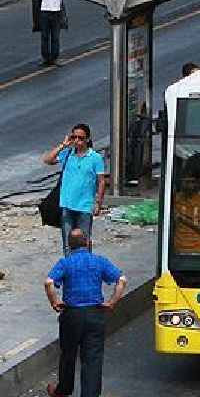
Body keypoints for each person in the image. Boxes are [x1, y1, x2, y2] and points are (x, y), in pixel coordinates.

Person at [44, 229, 126, 397]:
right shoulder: (99, 261)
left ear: (69, 246)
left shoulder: (65, 263)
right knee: (92, 359)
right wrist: (111, 302)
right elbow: (122, 280)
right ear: (88, 243)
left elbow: (49, 282)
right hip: (95, 314)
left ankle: (63, 390)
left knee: (68, 354)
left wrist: (54, 301)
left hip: (72, 315)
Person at [42, 124, 106, 254]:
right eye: (74, 137)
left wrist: (98, 203)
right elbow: (48, 160)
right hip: (67, 204)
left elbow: (101, 181)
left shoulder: (95, 158)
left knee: (84, 241)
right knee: (67, 243)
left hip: (85, 206)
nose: (77, 141)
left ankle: (85, 269)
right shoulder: (68, 154)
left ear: (87, 139)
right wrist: (63, 145)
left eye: (80, 138)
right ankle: (70, 269)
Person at [33, 0, 68, 67]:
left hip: (56, 12)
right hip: (45, 11)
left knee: (55, 37)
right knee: (44, 37)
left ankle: (54, 58)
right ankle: (46, 58)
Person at [172, 177, 200, 255]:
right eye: (186, 182)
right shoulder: (175, 198)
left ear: (197, 183)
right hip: (179, 246)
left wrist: (181, 218)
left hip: (198, 248)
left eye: (192, 182)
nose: (189, 185)